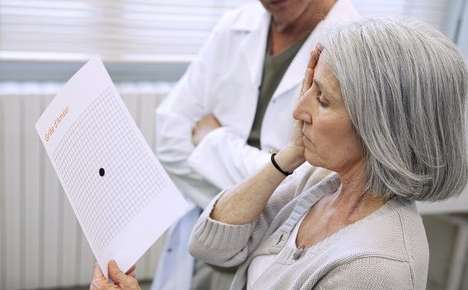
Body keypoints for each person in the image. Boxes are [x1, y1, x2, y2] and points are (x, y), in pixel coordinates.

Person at [90, 18, 468, 289]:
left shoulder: (372, 270)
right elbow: (209, 245)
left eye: (321, 98)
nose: (298, 110)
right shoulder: (320, 181)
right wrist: (289, 154)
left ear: (380, 127)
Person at [151, 1, 359, 289]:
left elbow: (317, 186)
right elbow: (168, 141)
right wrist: (270, 178)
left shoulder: (358, 49)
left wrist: (213, 141)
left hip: (278, 262)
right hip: (205, 248)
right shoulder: (233, 27)